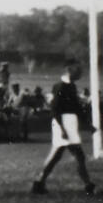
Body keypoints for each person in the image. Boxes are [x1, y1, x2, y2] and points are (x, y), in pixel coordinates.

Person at [31, 58, 95, 195]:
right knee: (78, 156)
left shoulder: (71, 86)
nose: (80, 72)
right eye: (78, 69)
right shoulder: (60, 87)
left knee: (57, 155)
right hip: (63, 123)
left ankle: (39, 183)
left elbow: (77, 108)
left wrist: (88, 124)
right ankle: (88, 186)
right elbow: (55, 110)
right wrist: (63, 129)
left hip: (69, 122)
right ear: (69, 70)